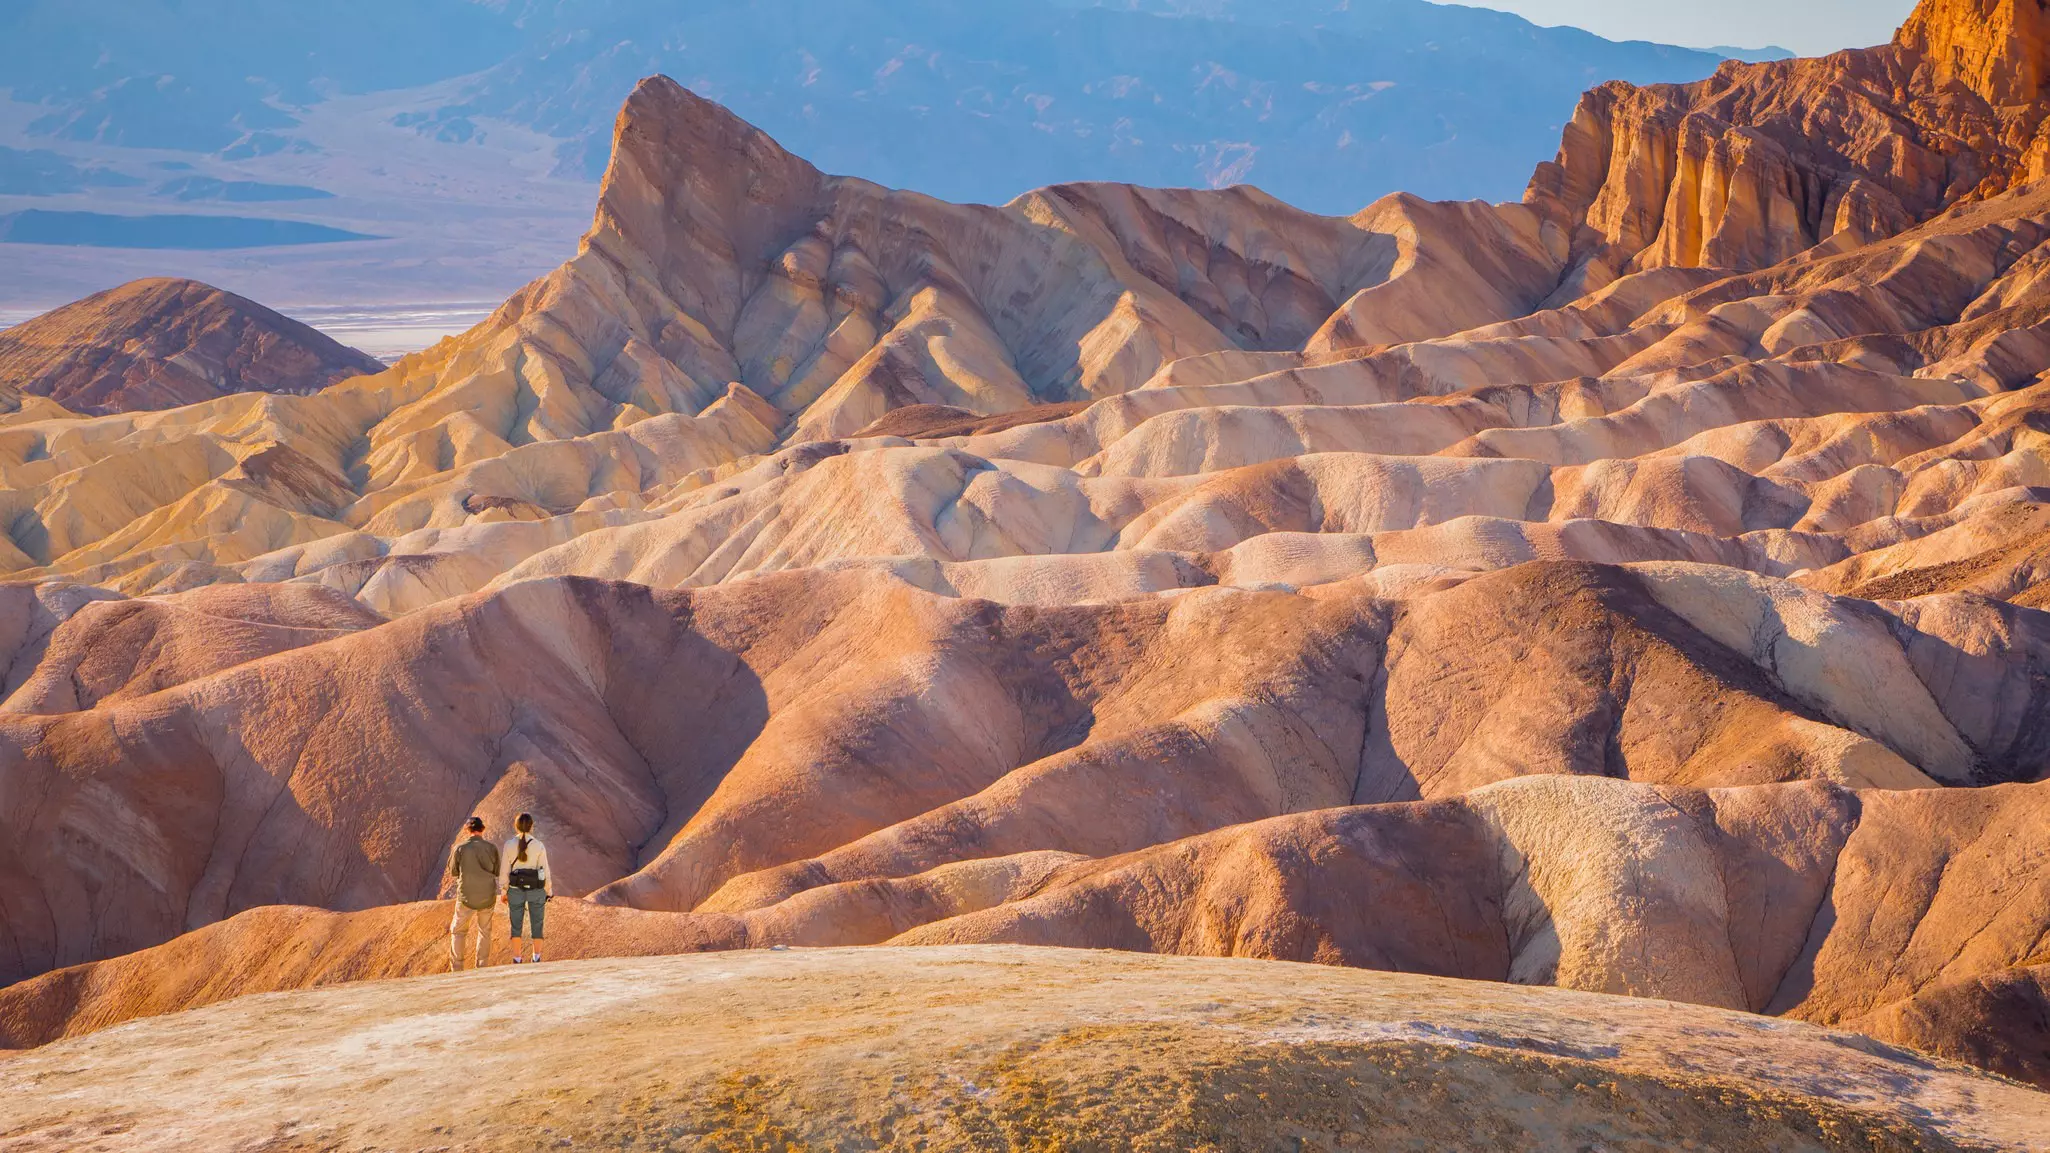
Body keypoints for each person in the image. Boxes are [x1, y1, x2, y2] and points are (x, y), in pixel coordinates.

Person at [447, 816, 501, 971]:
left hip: (465, 896)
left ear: (467, 830)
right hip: (487, 896)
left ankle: (457, 969)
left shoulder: (460, 848)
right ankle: (482, 967)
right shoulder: (491, 848)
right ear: (482, 829)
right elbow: (496, 871)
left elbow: (453, 871)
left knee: (458, 931)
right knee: (484, 931)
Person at [499, 812, 553, 963]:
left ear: (515, 826)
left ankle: (517, 958)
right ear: (531, 827)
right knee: (537, 923)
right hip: (536, 890)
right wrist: (548, 891)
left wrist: (504, 891)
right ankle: (536, 957)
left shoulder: (509, 845)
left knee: (516, 925)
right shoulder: (539, 845)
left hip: (515, 890)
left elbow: (504, 871)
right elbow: (544, 871)